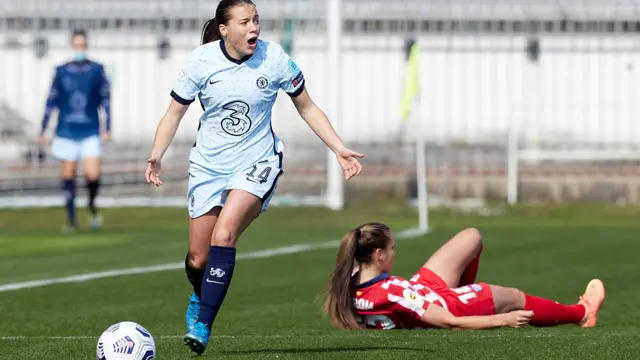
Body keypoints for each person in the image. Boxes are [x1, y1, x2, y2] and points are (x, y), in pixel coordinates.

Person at [144, 0, 363, 355]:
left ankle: (204, 326)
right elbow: (174, 113)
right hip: (208, 166)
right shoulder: (201, 62)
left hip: (257, 162)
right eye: (245, 22)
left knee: (225, 234)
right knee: (198, 259)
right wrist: (157, 153)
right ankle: (200, 297)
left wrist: (338, 148)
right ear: (224, 28)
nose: (254, 28)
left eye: (256, 20)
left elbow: (306, 106)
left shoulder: (275, 59)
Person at [325, 224, 605, 330]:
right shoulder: (394, 292)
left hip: (421, 291)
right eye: (392, 249)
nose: (395, 253)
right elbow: (450, 322)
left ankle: (474, 295)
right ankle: (582, 312)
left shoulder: (351, 283)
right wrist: (502, 319)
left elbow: (399, 298)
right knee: (516, 299)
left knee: (471, 237)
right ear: (378, 255)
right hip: (448, 305)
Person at [39, 29, 111, 233]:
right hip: (66, 130)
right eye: (76, 45)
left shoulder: (97, 70)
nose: (80, 48)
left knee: (93, 174)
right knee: (68, 174)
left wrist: (108, 127)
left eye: (83, 45)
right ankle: (71, 218)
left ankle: (91, 205)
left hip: (90, 129)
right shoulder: (61, 71)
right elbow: (51, 100)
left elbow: (105, 99)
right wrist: (43, 127)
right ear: (72, 46)